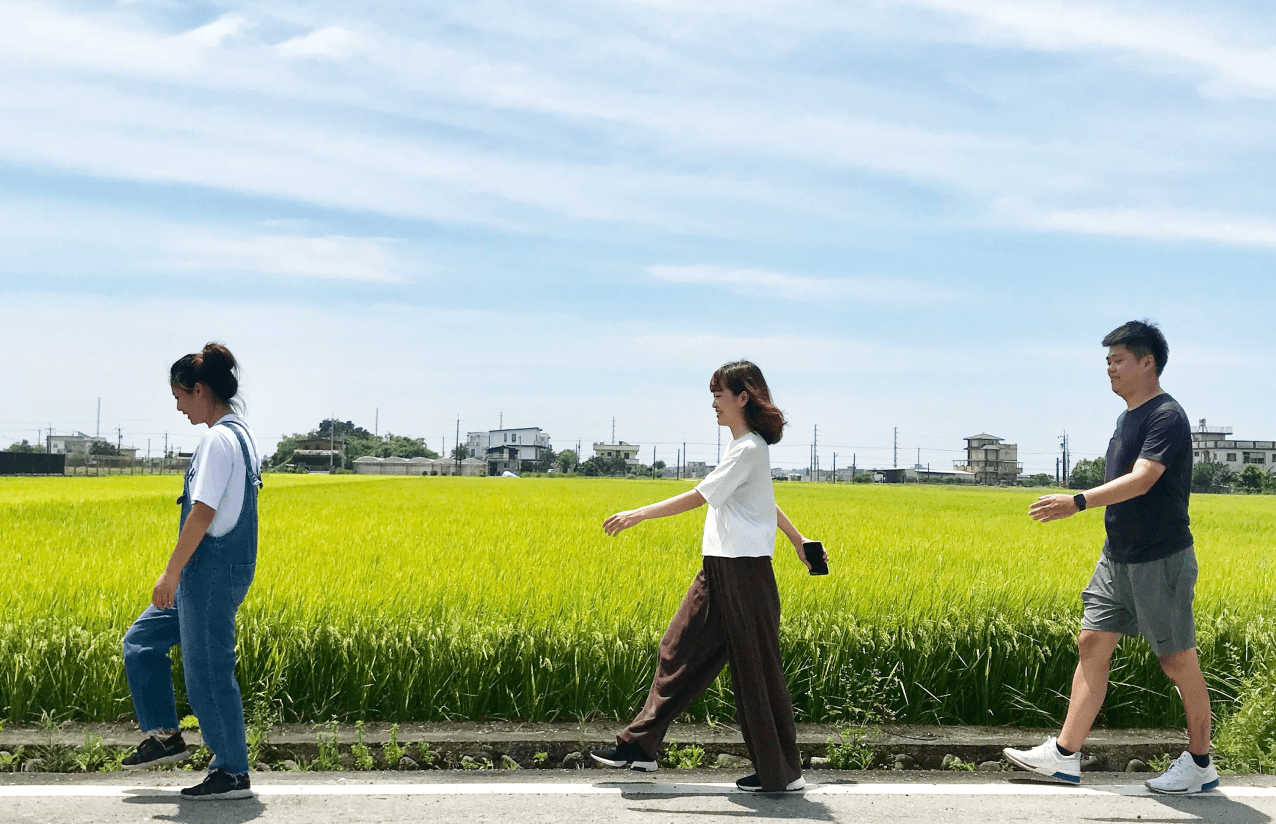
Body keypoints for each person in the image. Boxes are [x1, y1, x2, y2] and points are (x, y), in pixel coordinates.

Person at [589, 361, 826, 793]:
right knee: (677, 649)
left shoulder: (749, 448)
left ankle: (783, 773)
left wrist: (638, 514)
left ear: (743, 397)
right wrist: (798, 540)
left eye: (719, 394)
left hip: (745, 571)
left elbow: (701, 497)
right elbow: (764, 502)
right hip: (717, 567)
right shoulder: (742, 450)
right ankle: (640, 747)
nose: (713, 403)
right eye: (712, 395)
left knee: (755, 671)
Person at [1004, 321, 1216, 794]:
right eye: (1107, 362)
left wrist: (1076, 501)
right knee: (1092, 644)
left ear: (1148, 362)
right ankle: (1064, 755)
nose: (1110, 370)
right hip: (1117, 557)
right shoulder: (1126, 419)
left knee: (1177, 660)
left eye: (1118, 361)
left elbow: (1143, 479)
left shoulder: (1166, 416)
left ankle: (1200, 762)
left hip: (1159, 559)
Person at [120, 343, 262, 801]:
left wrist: (170, 573)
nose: (179, 406)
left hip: (209, 571)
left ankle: (232, 773)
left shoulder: (219, 439)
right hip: (215, 568)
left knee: (208, 670)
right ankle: (166, 736)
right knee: (142, 642)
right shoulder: (241, 434)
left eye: (181, 396)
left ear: (201, 390)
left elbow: (202, 512)